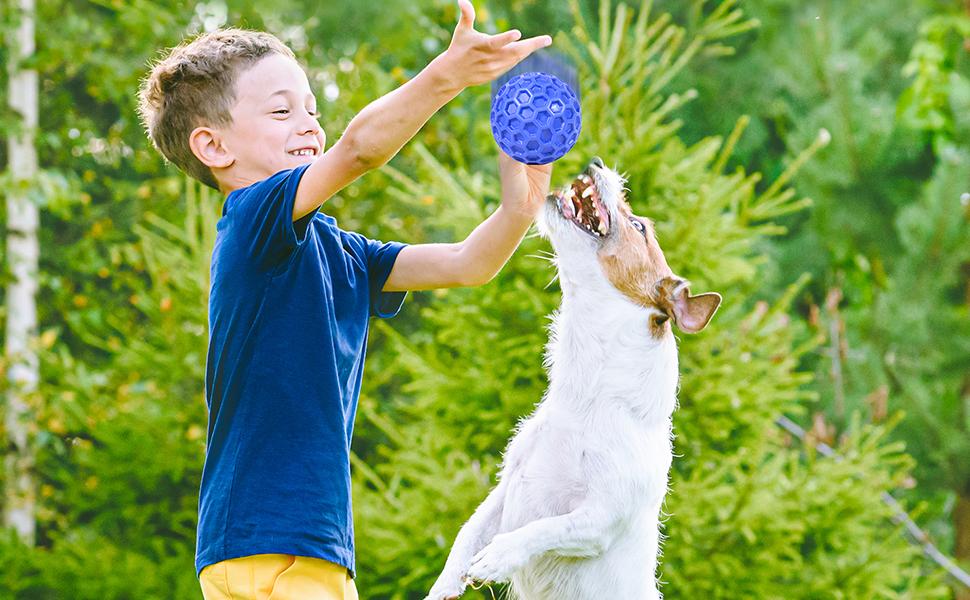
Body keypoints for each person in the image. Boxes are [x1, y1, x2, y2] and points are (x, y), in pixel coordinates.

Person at [136, 1, 553, 598]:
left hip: (284, 546)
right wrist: (445, 76)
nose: (309, 124)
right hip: (274, 542)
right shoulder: (253, 221)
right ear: (214, 147)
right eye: (281, 111)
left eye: (311, 108)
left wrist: (520, 205)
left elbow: (469, 265)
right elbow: (358, 150)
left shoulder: (343, 253)